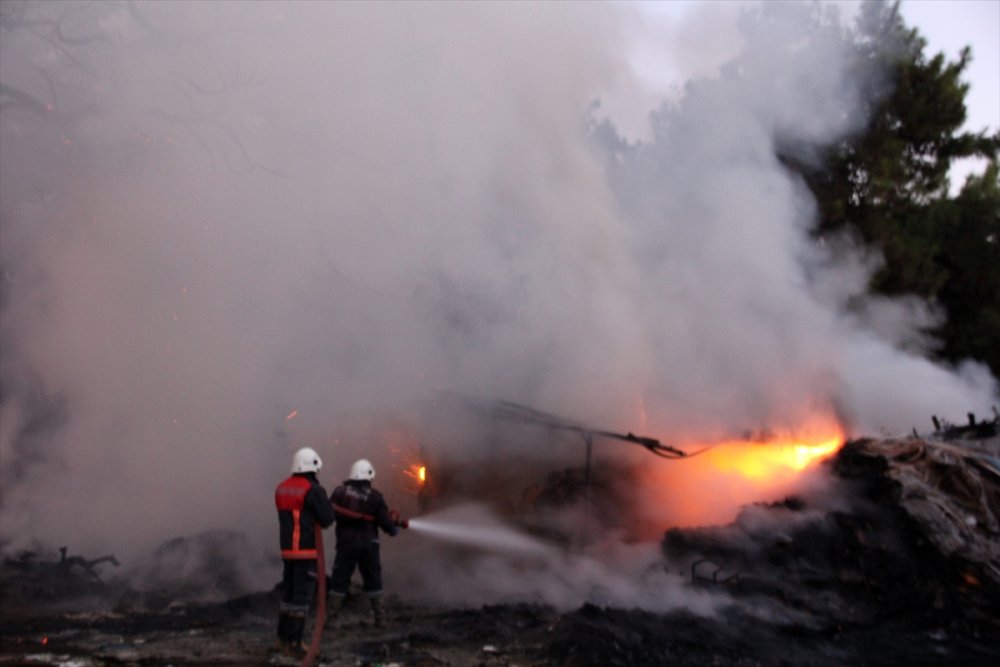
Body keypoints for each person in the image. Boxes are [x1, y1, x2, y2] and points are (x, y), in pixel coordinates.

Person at [328, 458, 407, 627]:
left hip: (346, 544)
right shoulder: (375, 497)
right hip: (369, 545)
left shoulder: (340, 492)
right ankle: (380, 619)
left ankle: (331, 619)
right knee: (373, 580)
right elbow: (387, 525)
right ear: (369, 477)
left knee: (340, 579)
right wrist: (395, 528)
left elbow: (329, 514)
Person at [274, 447, 335, 657]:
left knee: (288, 595)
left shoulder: (282, 488)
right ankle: (296, 643)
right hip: (306, 551)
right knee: (301, 598)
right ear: (312, 467)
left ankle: (282, 639)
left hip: (287, 551)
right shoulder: (312, 490)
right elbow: (327, 519)